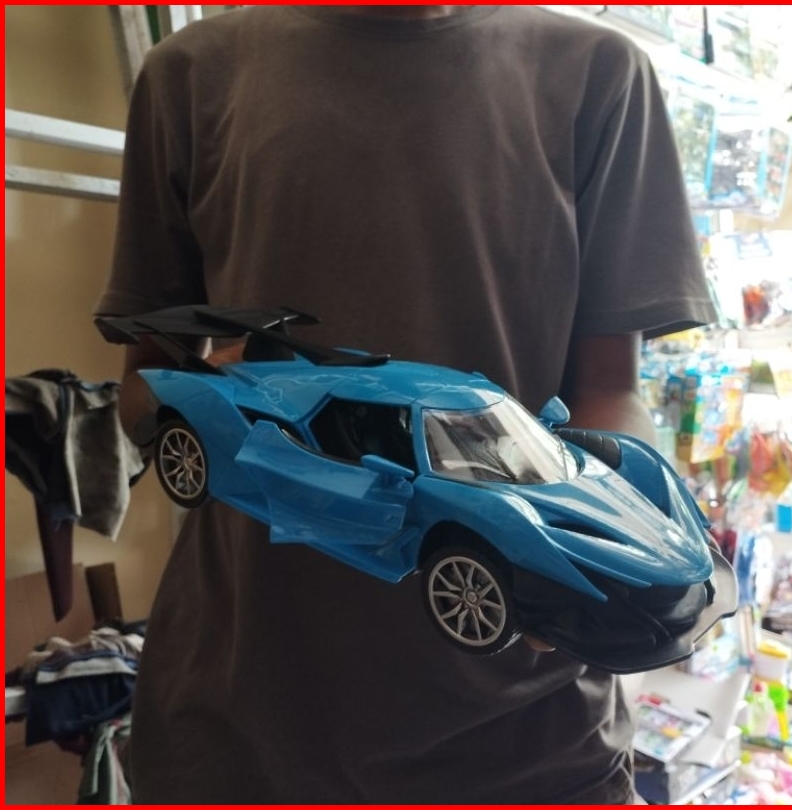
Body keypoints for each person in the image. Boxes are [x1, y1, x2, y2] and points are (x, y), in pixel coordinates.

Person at [96, 5, 717, 803]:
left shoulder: (599, 74)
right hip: (239, 723)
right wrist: (225, 407)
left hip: (530, 738)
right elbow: (147, 377)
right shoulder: (190, 74)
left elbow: (610, 391)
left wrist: (614, 537)